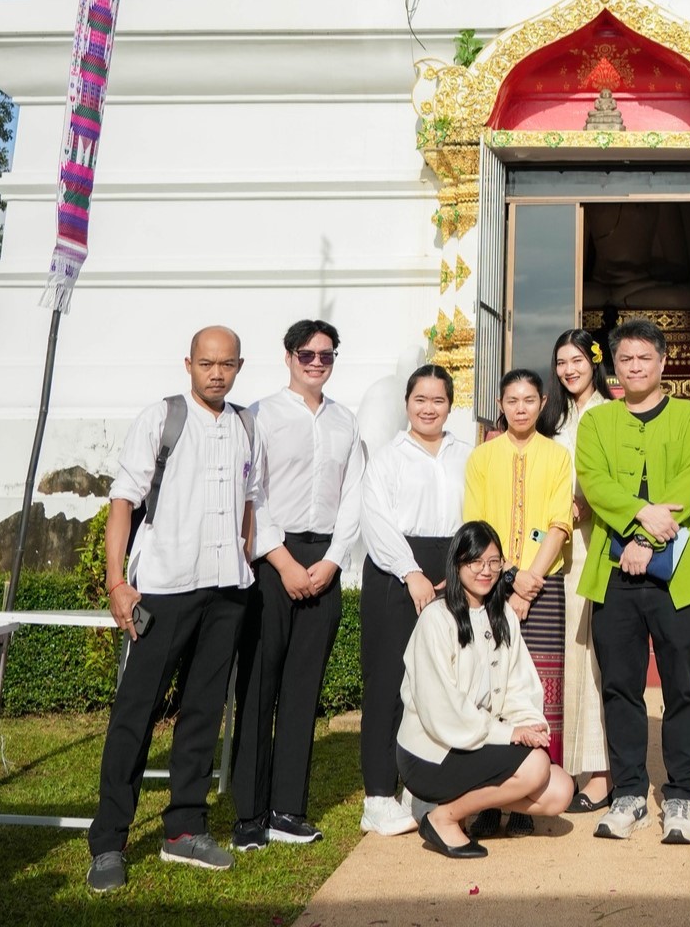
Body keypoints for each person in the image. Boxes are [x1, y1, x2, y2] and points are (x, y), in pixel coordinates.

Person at [86, 326, 261, 893]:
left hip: (226, 589)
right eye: (207, 363)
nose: (217, 373)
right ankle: (109, 841)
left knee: (204, 712)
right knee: (135, 714)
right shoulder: (161, 418)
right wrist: (117, 582)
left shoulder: (246, 426)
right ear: (189, 364)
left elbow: (250, 499)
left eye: (226, 364)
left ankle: (184, 829)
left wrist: (244, 557)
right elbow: (123, 500)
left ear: (239, 367)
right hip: (164, 588)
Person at [575, 318, 690, 844]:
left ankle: (682, 794)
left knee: (683, 685)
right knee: (621, 686)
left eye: (645, 358)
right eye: (625, 359)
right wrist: (641, 516)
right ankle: (630, 792)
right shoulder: (597, 421)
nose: (635, 367)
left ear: (663, 362)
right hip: (614, 574)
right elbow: (596, 483)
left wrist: (646, 541)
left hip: (677, 571)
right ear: (614, 367)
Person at [230, 318, 365, 851]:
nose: (316, 363)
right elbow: (252, 493)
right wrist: (281, 560)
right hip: (272, 558)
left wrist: (332, 561)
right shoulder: (260, 415)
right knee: (258, 688)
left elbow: (353, 495)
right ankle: (249, 815)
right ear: (288, 357)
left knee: (303, 690)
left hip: (324, 560)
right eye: (306, 354)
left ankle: (288, 810)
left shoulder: (345, 422)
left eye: (326, 355)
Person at [396, 521, 574, 860]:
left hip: (476, 740)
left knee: (560, 790)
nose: (486, 570)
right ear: (457, 563)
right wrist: (509, 734)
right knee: (535, 767)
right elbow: (442, 711)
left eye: (494, 562)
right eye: (476, 561)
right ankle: (443, 818)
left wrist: (529, 724)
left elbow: (520, 684)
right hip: (432, 751)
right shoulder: (436, 619)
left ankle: (450, 806)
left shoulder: (502, 615)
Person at [358, 364, 472, 836]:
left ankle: (421, 784)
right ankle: (378, 796)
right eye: (420, 399)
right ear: (407, 403)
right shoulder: (388, 458)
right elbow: (376, 520)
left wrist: (460, 570)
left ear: (450, 405)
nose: (428, 408)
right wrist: (411, 573)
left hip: (452, 569)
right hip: (396, 572)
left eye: (438, 400)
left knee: (438, 683)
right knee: (388, 683)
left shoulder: (465, 454)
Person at [463, 368, 573, 838]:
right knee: (488, 685)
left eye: (529, 400)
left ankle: (530, 794)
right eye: (512, 400)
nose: (521, 408)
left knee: (539, 690)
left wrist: (529, 583)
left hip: (544, 585)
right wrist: (507, 579)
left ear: (543, 402)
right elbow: (474, 525)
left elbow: (560, 523)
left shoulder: (558, 455)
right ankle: (490, 797)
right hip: (489, 583)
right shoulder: (482, 457)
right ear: (500, 404)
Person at [539, 328, 614, 812]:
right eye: (561, 362)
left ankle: (602, 771)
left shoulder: (610, 413)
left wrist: (586, 503)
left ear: (594, 361)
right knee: (561, 657)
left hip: (594, 543)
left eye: (577, 360)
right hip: (552, 549)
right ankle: (564, 764)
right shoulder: (555, 418)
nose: (569, 370)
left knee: (592, 657)